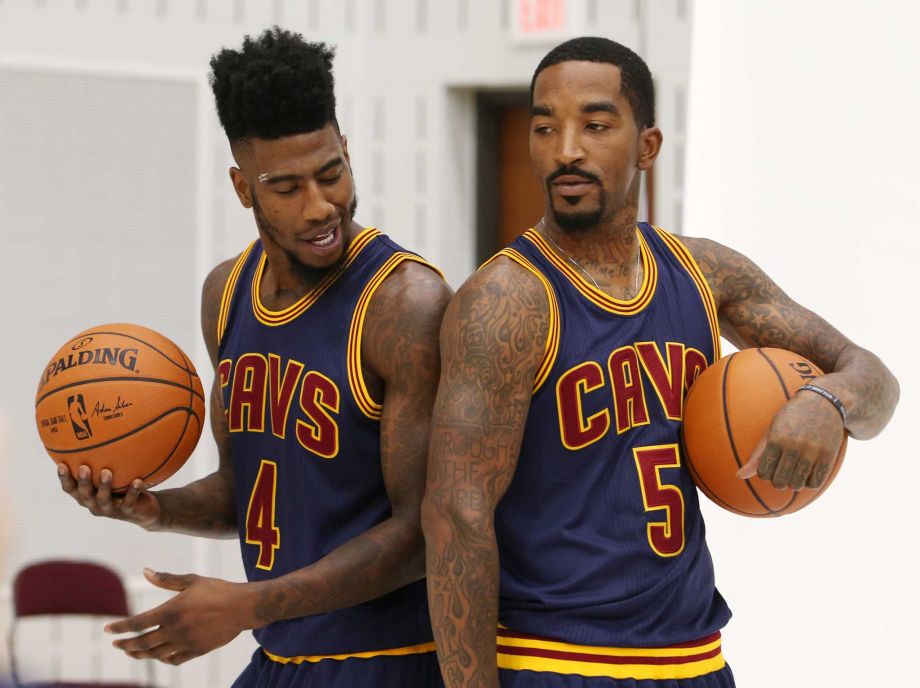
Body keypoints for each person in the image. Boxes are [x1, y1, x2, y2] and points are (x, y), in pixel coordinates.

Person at [421, 36, 899, 688]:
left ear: (648, 145)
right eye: (545, 127)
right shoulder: (505, 300)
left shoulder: (704, 272)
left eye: (595, 125)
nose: (566, 149)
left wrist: (827, 401)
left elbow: (873, 378)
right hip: (562, 664)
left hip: (697, 660)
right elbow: (457, 517)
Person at [57, 27, 450, 687]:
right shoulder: (227, 293)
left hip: (388, 665)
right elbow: (248, 490)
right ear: (244, 187)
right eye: (287, 187)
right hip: (279, 660)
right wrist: (154, 507)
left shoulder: (404, 303)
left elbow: (425, 534)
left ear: (348, 151)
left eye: (332, 174)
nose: (321, 205)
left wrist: (246, 604)